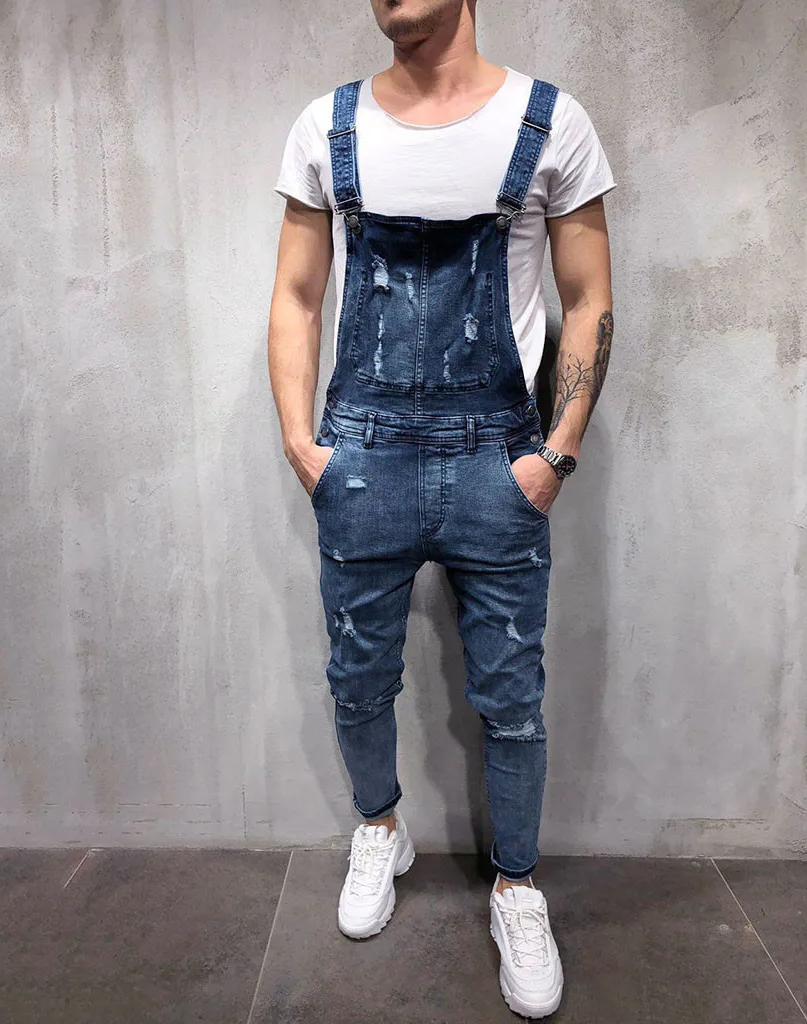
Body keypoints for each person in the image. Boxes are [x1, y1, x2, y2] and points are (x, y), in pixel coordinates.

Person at [268, 0, 614, 1016]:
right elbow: (296, 296)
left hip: (497, 462)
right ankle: (379, 827)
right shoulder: (325, 127)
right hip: (362, 457)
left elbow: (589, 298)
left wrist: (555, 455)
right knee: (356, 678)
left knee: (512, 697)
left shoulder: (550, 123)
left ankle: (517, 888)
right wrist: (302, 444)